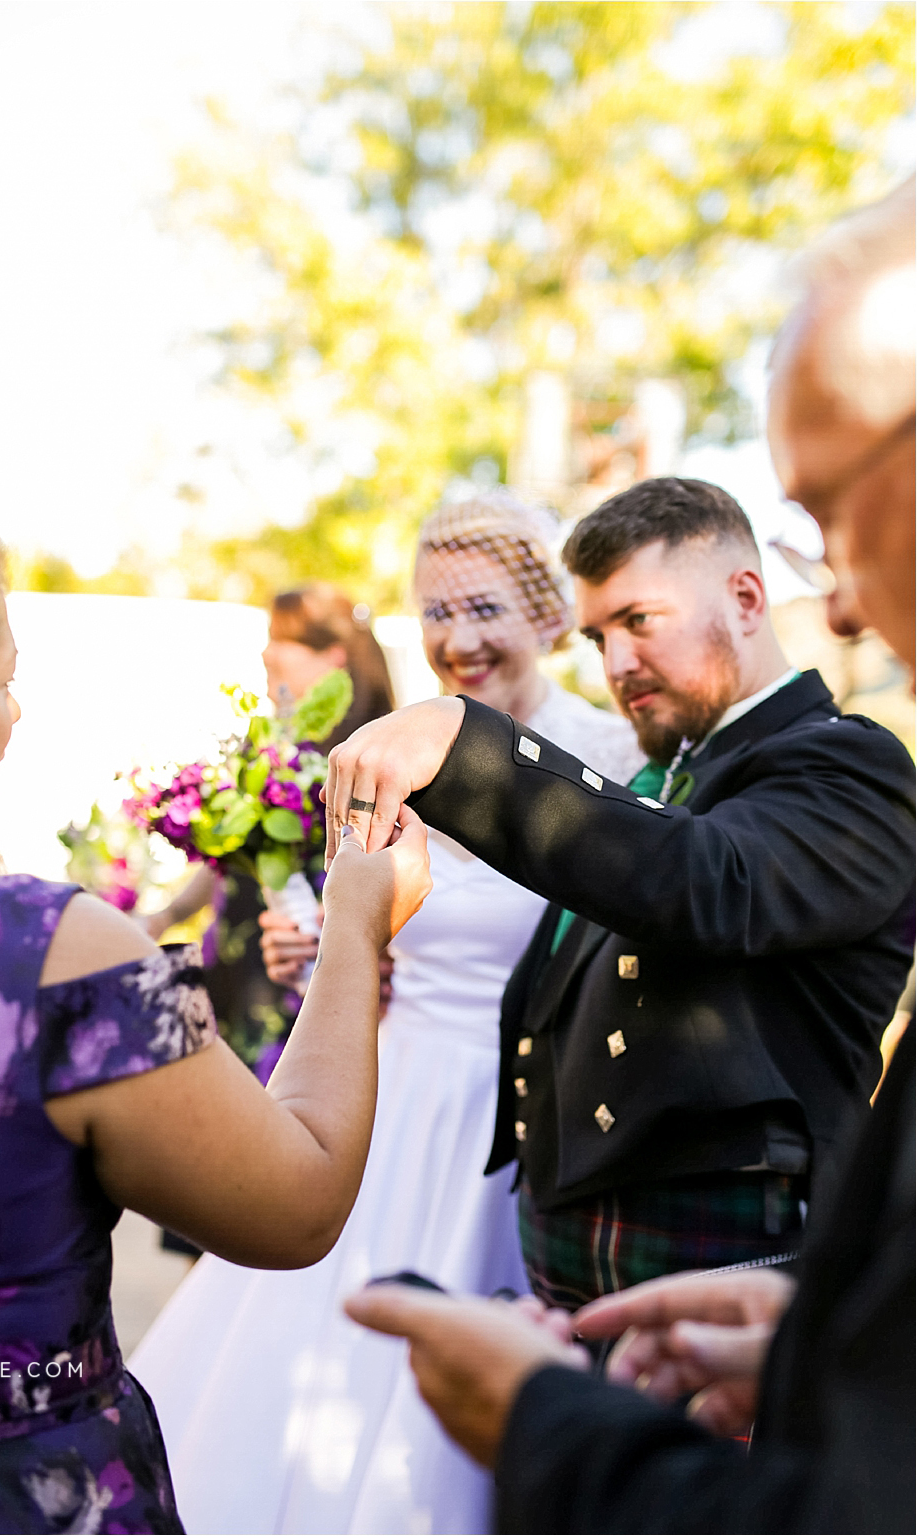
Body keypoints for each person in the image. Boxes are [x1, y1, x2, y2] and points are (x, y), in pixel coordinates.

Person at [346, 172, 917, 1536]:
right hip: (638, 1276)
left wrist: (471, 751)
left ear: (742, 593)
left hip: (720, 1237)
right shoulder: (660, 772)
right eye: (597, 635)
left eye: (640, 624)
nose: (615, 662)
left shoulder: (848, 765)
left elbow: (702, 884)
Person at [0, 495, 432, 1535]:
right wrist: (355, 923)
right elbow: (297, 1203)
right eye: (4, 685)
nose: (17, 714)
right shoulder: (48, 948)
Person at [132, 491, 640, 1533]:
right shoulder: (376, 754)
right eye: (434, 612)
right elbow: (354, 916)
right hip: (379, 1088)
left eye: (483, 609)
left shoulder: (611, 759)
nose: (456, 640)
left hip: (512, 1123)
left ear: (547, 616)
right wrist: (310, 947)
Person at [144, 586, 395, 1077]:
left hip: (296, 982)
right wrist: (166, 915)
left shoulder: (369, 759)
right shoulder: (263, 748)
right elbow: (230, 861)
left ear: (333, 657)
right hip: (231, 963)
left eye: (283, 640)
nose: (267, 653)